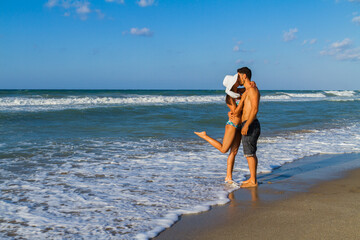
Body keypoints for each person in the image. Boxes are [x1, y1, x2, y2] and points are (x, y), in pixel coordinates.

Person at [194, 75, 254, 184]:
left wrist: (251, 85)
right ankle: (204, 135)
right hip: (233, 125)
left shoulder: (241, 91)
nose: (238, 80)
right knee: (224, 149)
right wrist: (243, 99)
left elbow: (251, 87)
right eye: (236, 80)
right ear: (232, 84)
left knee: (234, 152)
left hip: (241, 125)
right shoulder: (229, 97)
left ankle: (228, 177)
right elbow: (236, 112)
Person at [233, 67, 261, 188]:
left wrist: (247, 125)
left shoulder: (253, 90)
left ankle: (253, 181)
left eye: (238, 76)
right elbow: (239, 108)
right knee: (249, 153)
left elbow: (254, 109)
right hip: (246, 123)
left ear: (244, 76)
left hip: (251, 123)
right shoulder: (247, 91)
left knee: (250, 154)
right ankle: (252, 178)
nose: (237, 78)